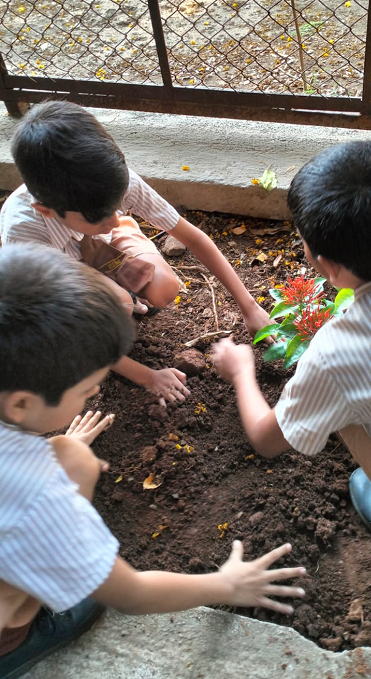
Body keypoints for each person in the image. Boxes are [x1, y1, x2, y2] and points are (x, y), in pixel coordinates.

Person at [0, 244, 305, 679]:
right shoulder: (39, 495)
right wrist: (226, 585)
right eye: (88, 388)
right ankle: (19, 639)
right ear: (22, 403)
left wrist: (53, 450)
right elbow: (132, 593)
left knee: (70, 456)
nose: (94, 393)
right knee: (74, 471)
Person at [212, 140, 371, 587]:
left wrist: (241, 372)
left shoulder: (336, 354)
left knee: (343, 411)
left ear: (325, 264)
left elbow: (267, 440)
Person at [0, 100, 270, 407]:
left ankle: (118, 283)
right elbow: (62, 329)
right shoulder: (24, 234)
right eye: (100, 216)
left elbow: (191, 237)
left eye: (117, 208)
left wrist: (249, 307)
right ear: (46, 210)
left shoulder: (111, 181)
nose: (114, 219)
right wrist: (147, 376)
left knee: (164, 288)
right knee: (120, 305)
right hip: (61, 267)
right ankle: (120, 296)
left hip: (102, 246)